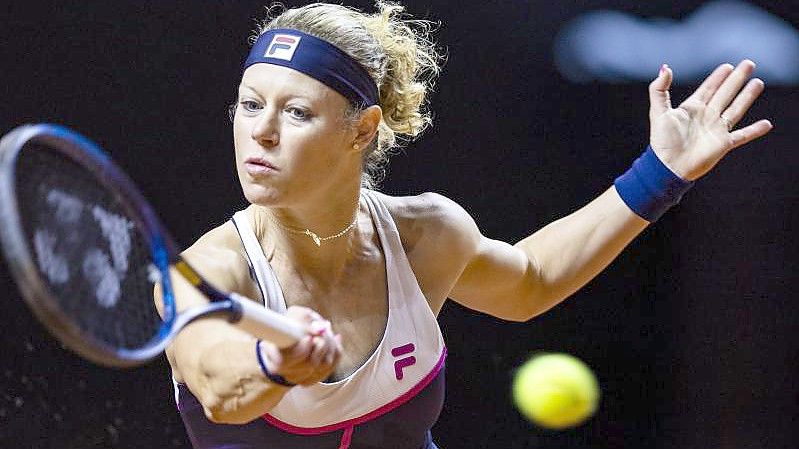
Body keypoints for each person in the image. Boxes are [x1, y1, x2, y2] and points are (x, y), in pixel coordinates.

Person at [164, 2, 773, 448]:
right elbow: (218, 388)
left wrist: (659, 173)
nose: (260, 132)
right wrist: (274, 365)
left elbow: (531, 281)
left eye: (296, 112)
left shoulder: (427, 235)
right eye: (249, 104)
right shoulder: (209, 270)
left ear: (362, 129)